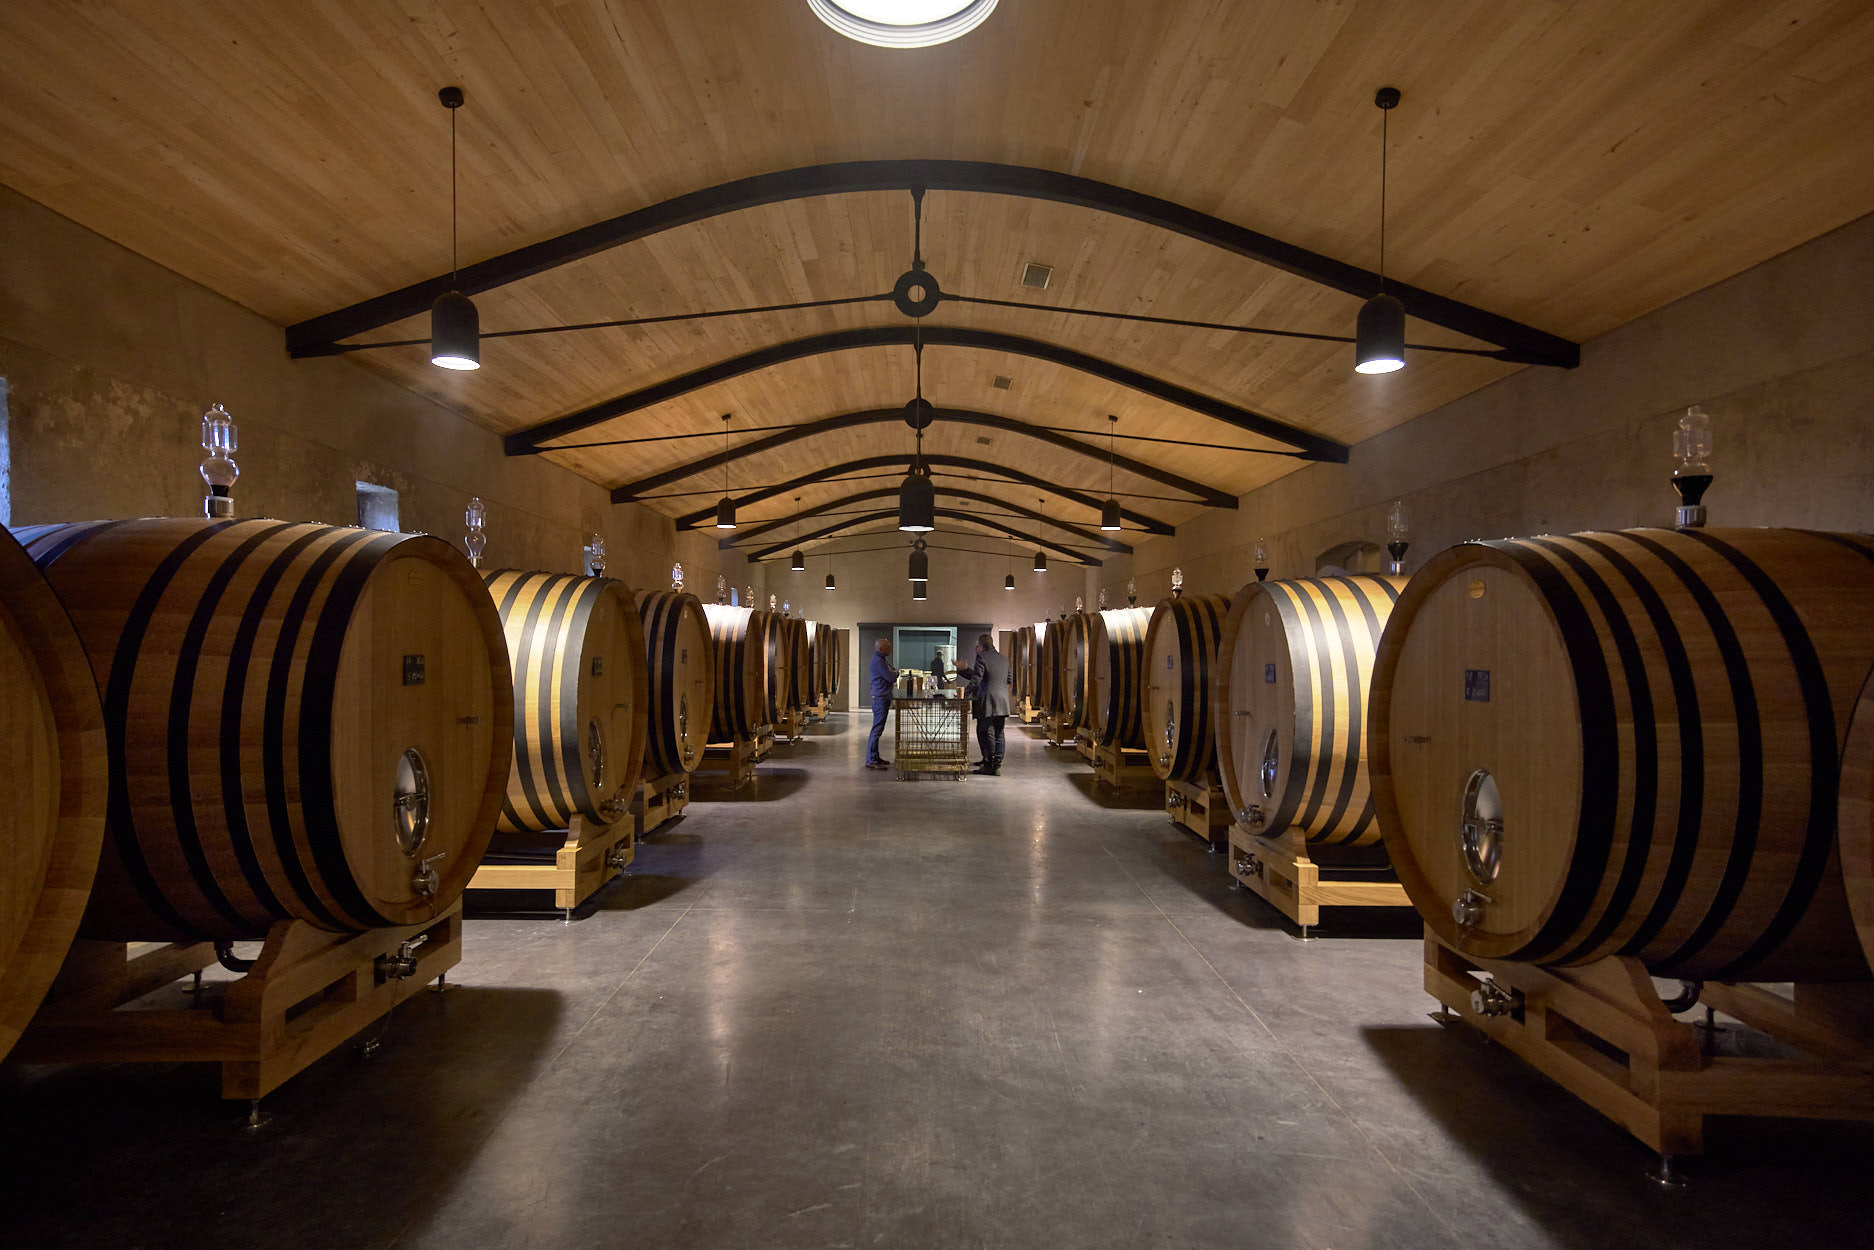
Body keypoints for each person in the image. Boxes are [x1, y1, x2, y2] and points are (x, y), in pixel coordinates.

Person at [962, 633, 1011, 776]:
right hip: (1002, 701)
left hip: (988, 701)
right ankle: (997, 763)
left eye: (977, 645)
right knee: (999, 733)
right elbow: (1009, 679)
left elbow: (976, 680)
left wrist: (964, 694)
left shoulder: (981, 657)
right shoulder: (1003, 659)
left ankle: (990, 765)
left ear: (982, 646)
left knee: (988, 732)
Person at [865, 637, 897, 770]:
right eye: (888, 647)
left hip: (882, 697)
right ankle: (871, 760)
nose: (890, 649)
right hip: (880, 698)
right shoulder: (879, 662)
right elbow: (890, 677)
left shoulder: (882, 660)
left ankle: (875, 757)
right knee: (877, 729)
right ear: (881, 648)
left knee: (878, 729)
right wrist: (896, 674)